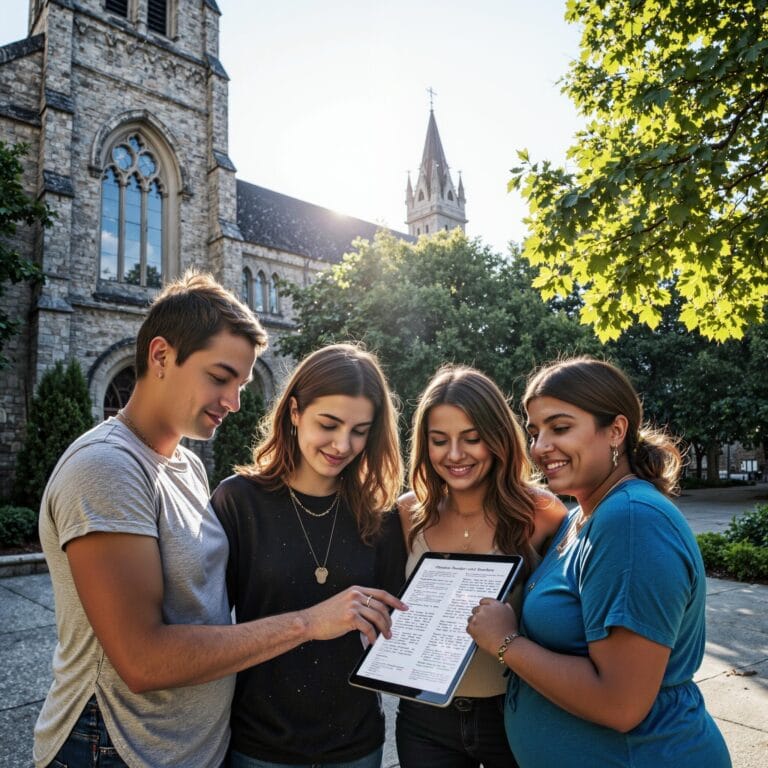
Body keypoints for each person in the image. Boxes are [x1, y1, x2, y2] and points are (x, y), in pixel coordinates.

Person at [34, 275, 402, 768]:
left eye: (242, 384)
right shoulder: (106, 467)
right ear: (161, 356)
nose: (234, 401)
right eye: (220, 377)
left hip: (191, 750)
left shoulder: (184, 463)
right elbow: (142, 660)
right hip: (115, 748)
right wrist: (309, 623)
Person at [468, 356, 731, 768]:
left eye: (560, 428)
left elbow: (620, 704)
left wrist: (505, 642)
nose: (539, 447)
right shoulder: (581, 515)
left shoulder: (631, 522)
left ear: (616, 430)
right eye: (535, 432)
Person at [210, 343, 408, 768]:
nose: (342, 444)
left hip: (356, 746)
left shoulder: (380, 517)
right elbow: (205, 629)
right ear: (295, 412)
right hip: (258, 745)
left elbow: (396, 626)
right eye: (329, 424)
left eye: (360, 430)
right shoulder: (237, 502)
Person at [395, 365, 567, 768]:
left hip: (511, 714)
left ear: (498, 439)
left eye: (472, 439)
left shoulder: (543, 512)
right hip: (424, 718)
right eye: (440, 441)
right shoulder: (407, 514)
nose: (455, 455)